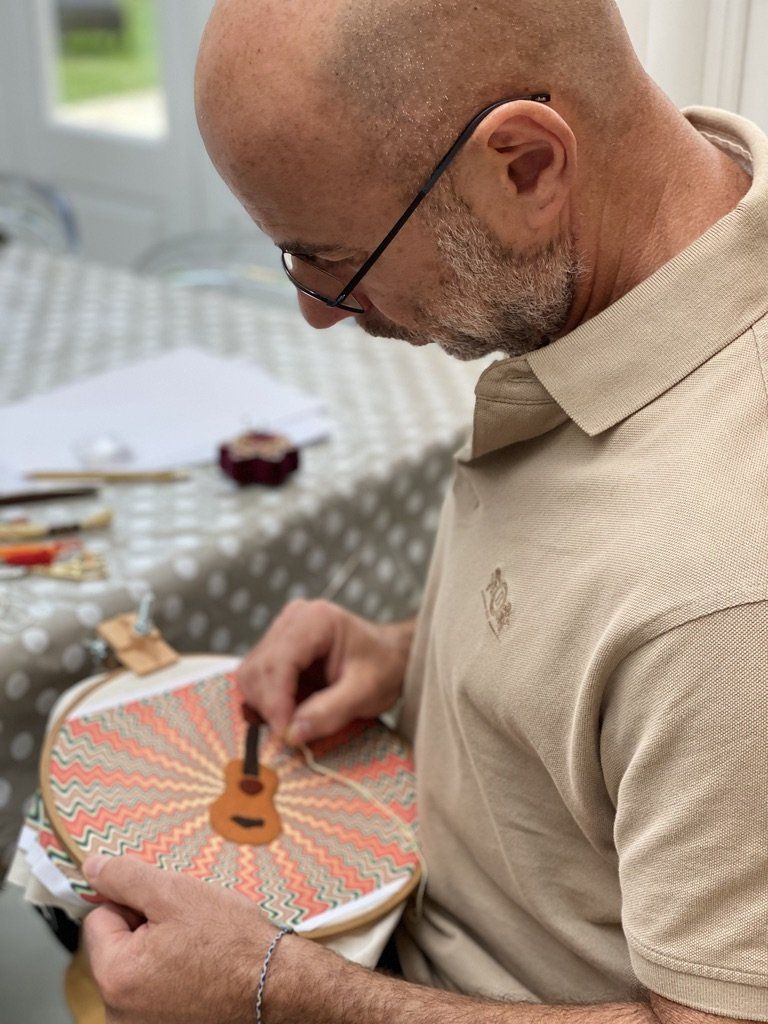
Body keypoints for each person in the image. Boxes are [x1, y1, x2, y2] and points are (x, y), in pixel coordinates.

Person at [79, 0, 768, 1022]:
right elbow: (615, 650)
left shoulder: (728, 584)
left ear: (525, 167)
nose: (318, 314)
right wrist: (412, 653)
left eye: (336, 261)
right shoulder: (621, 276)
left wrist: (276, 989)